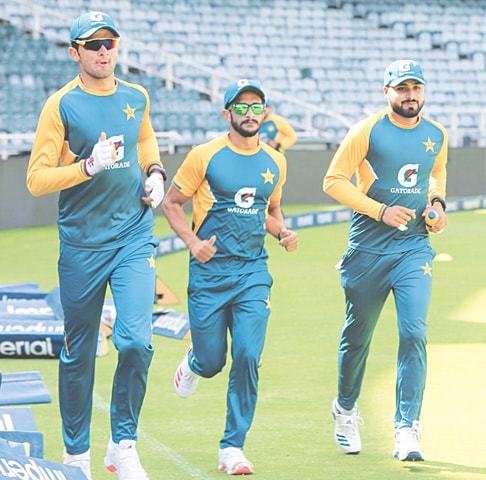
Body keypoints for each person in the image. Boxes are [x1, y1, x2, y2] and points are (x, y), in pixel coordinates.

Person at [26, 11, 165, 480]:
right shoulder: (61, 105)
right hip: (82, 244)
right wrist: (87, 166)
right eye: (93, 45)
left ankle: (123, 444)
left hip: (133, 235)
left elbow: (145, 138)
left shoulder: (136, 95)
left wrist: (155, 173)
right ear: (75, 53)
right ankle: (76, 453)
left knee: (137, 341)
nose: (104, 52)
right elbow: (36, 179)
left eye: (110, 43)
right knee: (79, 352)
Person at [162, 79, 298, 475]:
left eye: (256, 107)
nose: (249, 114)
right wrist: (192, 242)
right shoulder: (204, 155)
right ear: (227, 114)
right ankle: (194, 363)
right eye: (241, 107)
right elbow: (171, 203)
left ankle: (232, 447)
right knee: (212, 361)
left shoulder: (275, 162)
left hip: (253, 272)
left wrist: (282, 232)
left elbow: (269, 211)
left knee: (248, 355)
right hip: (209, 274)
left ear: (265, 113)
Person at [323, 59, 448, 462]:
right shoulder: (367, 130)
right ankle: (345, 409)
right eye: (402, 88)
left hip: (413, 249)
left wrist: (437, 205)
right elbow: (333, 181)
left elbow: (434, 173)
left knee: (413, 332)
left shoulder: (437, 134)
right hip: (367, 250)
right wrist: (380, 211)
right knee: (357, 337)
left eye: (416, 88)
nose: (410, 95)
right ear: (387, 92)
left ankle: (407, 428)